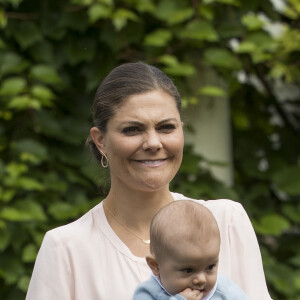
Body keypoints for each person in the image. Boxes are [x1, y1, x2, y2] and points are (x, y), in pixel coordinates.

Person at [26, 62, 271, 300]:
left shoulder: (226, 222)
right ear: (100, 140)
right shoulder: (66, 249)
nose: (153, 143)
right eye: (132, 129)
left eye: (166, 127)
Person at [133, 200, 251, 300]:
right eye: (188, 270)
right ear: (155, 265)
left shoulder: (224, 290)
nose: (201, 279)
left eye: (210, 267)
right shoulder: (148, 293)